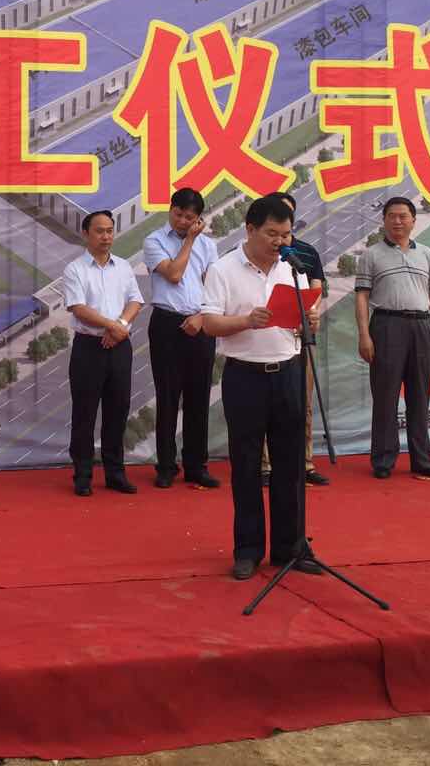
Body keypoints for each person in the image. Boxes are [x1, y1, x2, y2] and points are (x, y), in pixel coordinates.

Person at [200, 196, 320, 580]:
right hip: (245, 376)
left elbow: (300, 322)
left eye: (286, 234)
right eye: (272, 234)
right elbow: (209, 324)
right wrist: (246, 321)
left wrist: (309, 320)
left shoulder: (293, 269)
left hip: (288, 371)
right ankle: (248, 550)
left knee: (290, 466)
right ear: (250, 229)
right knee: (247, 465)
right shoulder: (222, 270)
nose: (280, 242)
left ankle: (290, 547)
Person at [355, 197, 430, 480]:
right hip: (386, 325)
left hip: (421, 326)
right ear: (384, 220)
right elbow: (362, 297)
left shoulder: (427, 254)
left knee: (420, 396)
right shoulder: (371, 255)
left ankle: (422, 460)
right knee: (386, 396)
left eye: (403, 216)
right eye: (392, 216)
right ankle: (383, 460)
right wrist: (364, 335)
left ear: (413, 220)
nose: (397, 221)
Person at [141, 188, 220, 488]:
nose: (183, 221)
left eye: (190, 217)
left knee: (198, 397)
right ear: (170, 209)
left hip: (200, 323)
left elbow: (213, 288)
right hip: (167, 324)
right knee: (168, 396)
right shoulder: (154, 241)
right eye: (179, 214)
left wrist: (201, 316)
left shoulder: (209, 246)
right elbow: (173, 274)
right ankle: (166, 466)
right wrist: (189, 241)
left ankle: (196, 465)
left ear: (199, 218)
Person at [63, 210, 144, 496]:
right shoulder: (75, 269)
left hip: (120, 347)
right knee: (84, 414)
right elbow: (78, 308)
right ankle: (83, 475)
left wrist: (119, 326)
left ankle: (115, 473)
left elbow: (135, 300)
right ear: (86, 234)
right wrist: (113, 326)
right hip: (88, 348)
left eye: (110, 230)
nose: (106, 236)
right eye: (100, 231)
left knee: (118, 411)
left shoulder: (123, 266)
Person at [266, 190, 329, 487]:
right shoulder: (258, 255)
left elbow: (316, 293)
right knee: (267, 407)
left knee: (302, 404)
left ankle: (305, 462)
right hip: (267, 341)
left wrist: (311, 318)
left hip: (301, 338)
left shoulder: (306, 253)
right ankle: (266, 465)